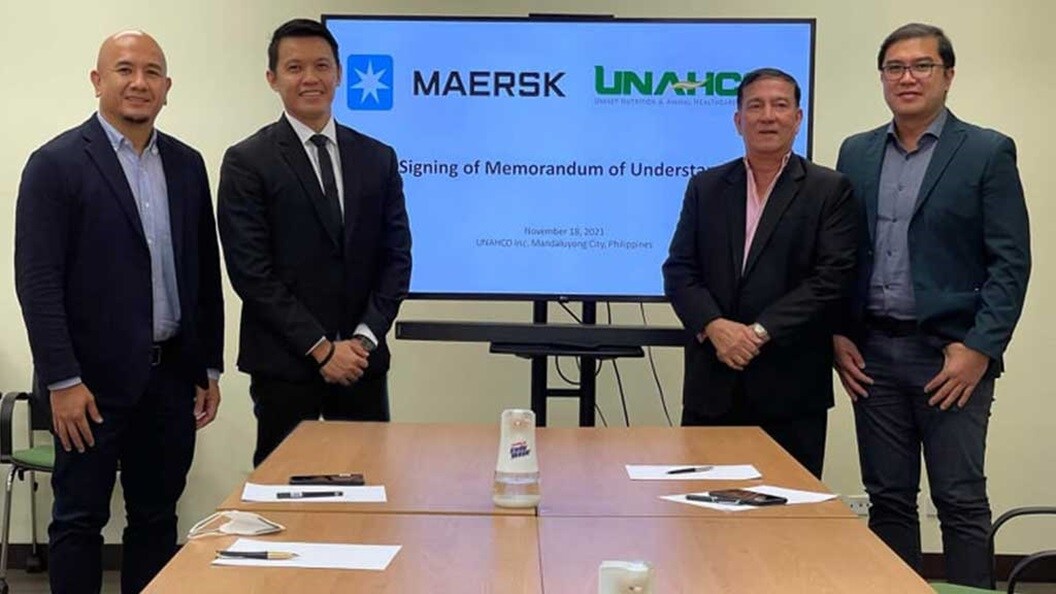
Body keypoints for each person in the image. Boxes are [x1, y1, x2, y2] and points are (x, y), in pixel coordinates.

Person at [13, 31, 224, 594]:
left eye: (152, 72)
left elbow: (203, 271)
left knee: (157, 519)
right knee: (79, 521)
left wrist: (207, 366)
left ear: (167, 87)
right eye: (125, 69)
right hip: (87, 387)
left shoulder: (186, 165)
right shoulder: (55, 164)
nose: (139, 82)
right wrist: (62, 381)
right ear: (97, 80)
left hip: (170, 380)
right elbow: (37, 283)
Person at [834, 23, 1030, 588]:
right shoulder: (856, 152)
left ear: (948, 75)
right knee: (888, 500)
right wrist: (838, 333)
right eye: (895, 68)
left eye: (922, 66)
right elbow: (841, 253)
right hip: (872, 354)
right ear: (882, 78)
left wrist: (979, 349)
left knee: (960, 500)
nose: (908, 78)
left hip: (951, 358)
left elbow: (1010, 263)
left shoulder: (987, 151)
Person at [218, 18, 412, 466]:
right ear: (273, 78)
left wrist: (362, 341)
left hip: (362, 364)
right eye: (295, 67)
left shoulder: (378, 158)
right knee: (282, 488)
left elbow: (396, 259)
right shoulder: (248, 161)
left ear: (339, 74)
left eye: (322, 66)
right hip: (286, 366)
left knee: (368, 483)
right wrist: (322, 349)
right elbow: (251, 272)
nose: (310, 78)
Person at [663, 68, 861, 479]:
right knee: (702, 508)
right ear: (738, 120)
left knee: (788, 509)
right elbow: (679, 269)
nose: (767, 116)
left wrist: (756, 333)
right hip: (712, 384)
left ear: (798, 118)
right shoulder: (706, 186)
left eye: (780, 105)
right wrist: (714, 326)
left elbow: (831, 279)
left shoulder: (829, 189)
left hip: (790, 388)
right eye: (755, 106)